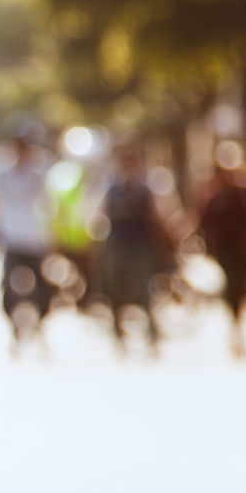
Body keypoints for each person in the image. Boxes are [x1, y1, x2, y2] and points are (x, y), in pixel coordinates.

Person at [196, 147, 246, 357]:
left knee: (241, 288)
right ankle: (236, 327)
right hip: (225, 252)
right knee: (232, 287)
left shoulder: (245, 195)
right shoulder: (214, 197)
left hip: (244, 252)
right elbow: (202, 221)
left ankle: (238, 326)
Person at [0, 135, 58, 354]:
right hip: (12, 237)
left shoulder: (38, 173)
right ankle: (14, 329)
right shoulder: (4, 174)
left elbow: (48, 202)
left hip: (34, 238)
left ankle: (39, 324)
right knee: (8, 288)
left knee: (42, 289)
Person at [98, 145, 174, 355]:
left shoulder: (147, 188)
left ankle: (150, 334)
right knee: (113, 287)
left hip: (139, 243)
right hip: (117, 242)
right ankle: (117, 332)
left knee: (144, 287)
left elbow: (158, 216)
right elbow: (100, 214)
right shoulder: (111, 188)